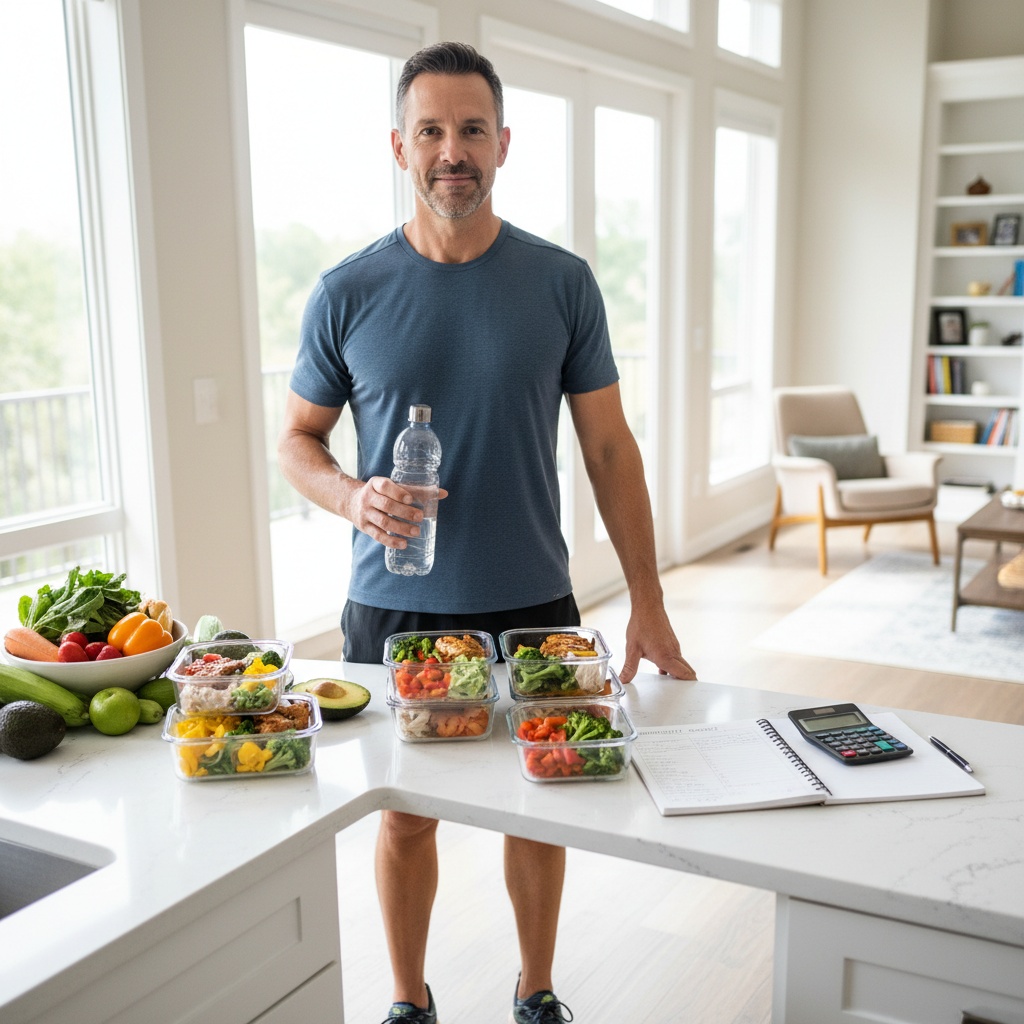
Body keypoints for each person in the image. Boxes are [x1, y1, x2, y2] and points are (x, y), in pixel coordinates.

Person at [277, 40, 696, 1024]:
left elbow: (608, 451)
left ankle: (535, 988)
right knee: (405, 818)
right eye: (431, 130)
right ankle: (406, 999)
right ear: (398, 146)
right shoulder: (347, 291)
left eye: (471, 130)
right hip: (392, 606)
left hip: (531, 603)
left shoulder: (560, 282)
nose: (451, 151)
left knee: (538, 802)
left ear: (503, 144)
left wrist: (649, 599)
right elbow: (297, 439)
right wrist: (347, 496)